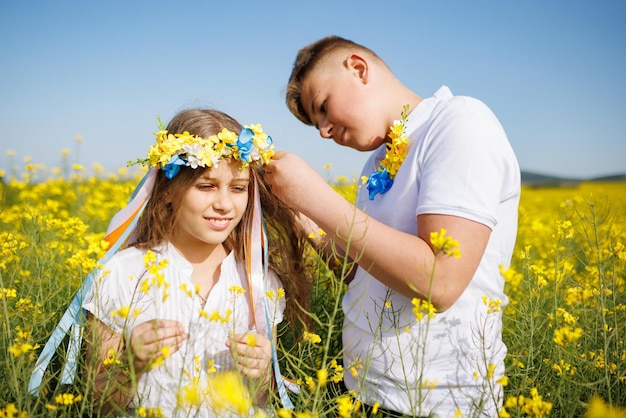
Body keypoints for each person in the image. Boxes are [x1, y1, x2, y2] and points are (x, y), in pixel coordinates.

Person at [264, 36, 521, 417]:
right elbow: (359, 270)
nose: (323, 131)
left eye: (322, 107)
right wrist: (299, 213)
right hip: (363, 390)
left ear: (358, 68)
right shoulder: (378, 165)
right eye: (316, 123)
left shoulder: (459, 123)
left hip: (433, 404)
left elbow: (440, 280)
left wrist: (316, 196)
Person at [80, 109, 310, 416]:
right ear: (166, 193)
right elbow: (96, 405)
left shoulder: (260, 283)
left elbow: (262, 401)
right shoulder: (121, 274)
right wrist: (131, 364)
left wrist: (261, 374)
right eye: (206, 186)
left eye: (238, 188)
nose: (225, 204)